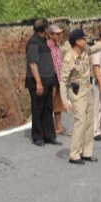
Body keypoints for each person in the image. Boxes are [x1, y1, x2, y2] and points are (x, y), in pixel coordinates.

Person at [60, 28, 101, 165]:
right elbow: (63, 80)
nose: (86, 41)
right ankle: (74, 154)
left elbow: (100, 46)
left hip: (87, 90)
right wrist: (64, 100)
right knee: (80, 121)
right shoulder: (69, 58)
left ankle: (86, 153)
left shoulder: (86, 51)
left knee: (89, 122)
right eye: (83, 39)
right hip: (77, 92)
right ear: (77, 41)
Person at [25, 18, 62, 147]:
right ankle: (37, 136)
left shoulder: (45, 42)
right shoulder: (33, 42)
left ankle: (49, 136)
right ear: (45, 29)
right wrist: (38, 82)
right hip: (38, 82)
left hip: (47, 81)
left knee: (48, 109)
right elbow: (32, 63)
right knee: (38, 108)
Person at [47, 24, 68, 136]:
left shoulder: (56, 47)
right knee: (50, 103)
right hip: (51, 79)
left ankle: (58, 126)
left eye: (60, 33)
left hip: (59, 79)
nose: (59, 36)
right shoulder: (47, 47)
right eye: (57, 34)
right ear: (50, 35)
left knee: (58, 104)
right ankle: (49, 128)